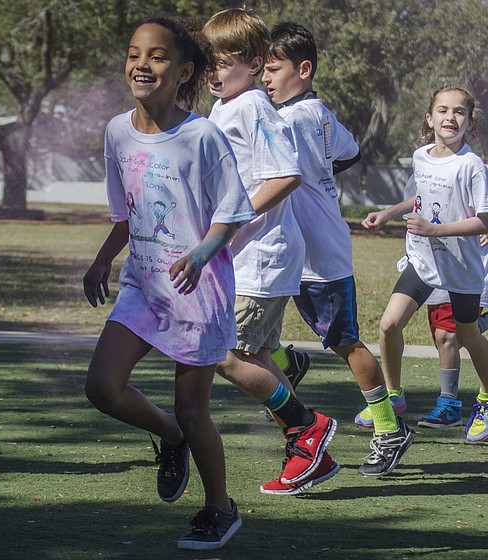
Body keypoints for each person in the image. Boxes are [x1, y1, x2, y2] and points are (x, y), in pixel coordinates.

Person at [82, 18, 255, 551]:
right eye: (134, 54)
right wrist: (102, 260)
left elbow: (232, 213)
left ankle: (220, 508)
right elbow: (126, 212)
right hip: (142, 285)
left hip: (197, 292)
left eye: (157, 57)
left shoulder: (202, 135)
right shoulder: (117, 132)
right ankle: (169, 436)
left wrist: (200, 254)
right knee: (102, 388)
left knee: (193, 409)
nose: (142, 65)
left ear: (183, 72)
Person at [260, 21, 414, 480]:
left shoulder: (292, 118)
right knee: (253, 333)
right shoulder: (320, 113)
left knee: (346, 344)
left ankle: (390, 429)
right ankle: (290, 363)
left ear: (304, 69)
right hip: (295, 251)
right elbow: (348, 153)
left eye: (273, 69)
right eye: (263, 69)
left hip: (321, 256)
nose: (265, 78)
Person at [200, 7, 339, 497]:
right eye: (208, 63)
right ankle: (309, 454)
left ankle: (308, 426)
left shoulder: (252, 106)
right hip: (242, 254)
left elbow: (285, 176)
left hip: (260, 254)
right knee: (256, 354)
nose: (213, 73)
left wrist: (230, 225)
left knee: (226, 355)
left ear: (255, 63)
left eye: (224, 63)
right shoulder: (224, 106)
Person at [362, 85, 488, 444]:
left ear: (470, 122)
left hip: (461, 269)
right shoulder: (421, 157)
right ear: (430, 118)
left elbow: (485, 221)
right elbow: (422, 196)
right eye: (443, 110)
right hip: (423, 260)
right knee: (388, 325)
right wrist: (388, 213)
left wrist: (435, 229)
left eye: (459, 112)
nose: (450, 117)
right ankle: (394, 395)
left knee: (467, 336)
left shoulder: (472, 166)